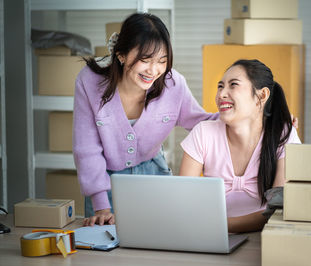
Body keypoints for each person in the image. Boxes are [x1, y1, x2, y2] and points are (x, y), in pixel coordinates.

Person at [73, 13, 218, 226]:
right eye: (145, 60)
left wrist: (249, 116)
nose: (153, 70)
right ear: (121, 55)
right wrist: (102, 206)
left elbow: (201, 122)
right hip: (105, 186)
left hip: (155, 180)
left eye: (162, 61)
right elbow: (86, 149)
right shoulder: (90, 81)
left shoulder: (174, 84)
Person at [179, 59, 301, 233]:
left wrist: (219, 225)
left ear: (262, 96)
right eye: (220, 86)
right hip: (207, 236)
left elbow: (279, 210)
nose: (221, 94)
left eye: (233, 85)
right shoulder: (203, 133)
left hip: (265, 239)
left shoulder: (283, 135)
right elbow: (183, 200)